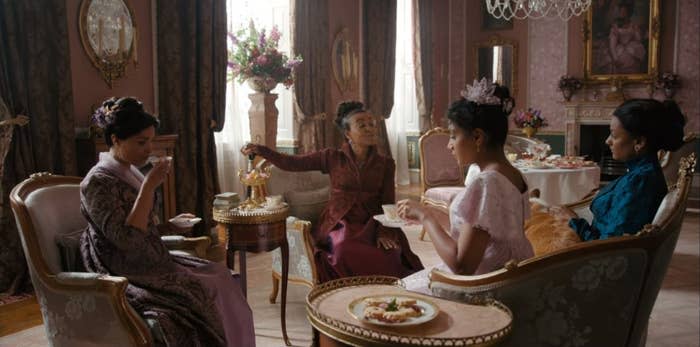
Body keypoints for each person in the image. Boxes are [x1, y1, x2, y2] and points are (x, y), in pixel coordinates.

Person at [80, 97, 255, 347]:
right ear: (116, 139)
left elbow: (141, 227)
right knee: (202, 292)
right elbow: (125, 240)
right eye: (141, 142)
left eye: (151, 140)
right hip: (125, 267)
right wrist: (149, 186)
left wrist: (169, 225)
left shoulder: (127, 169)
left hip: (150, 257)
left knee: (221, 275)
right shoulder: (97, 183)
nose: (149, 149)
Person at [241, 101, 423, 283]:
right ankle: (347, 292)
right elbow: (292, 163)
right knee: (343, 249)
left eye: (372, 124)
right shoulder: (332, 157)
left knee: (391, 254)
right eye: (362, 125)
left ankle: (378, 293)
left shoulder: (386, 163)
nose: (370, 129)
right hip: (340, 222)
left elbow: (388, 201)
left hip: (373, 223)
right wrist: (262, 151)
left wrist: (385, 231)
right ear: (348, 133)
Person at [397, 79, 534, 289]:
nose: (449, 145)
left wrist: (426, 216)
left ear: (477, 137)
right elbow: (492, 231)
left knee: (401, 292)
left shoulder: (486, 182)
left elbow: (462, 266)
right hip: (514, 278)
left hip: (486, 285)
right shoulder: (514, 174)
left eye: (454, 136)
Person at [555, 99, 686, 241]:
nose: (607, 141)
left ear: (639, 142)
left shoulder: (639, 183)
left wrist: (573, 220)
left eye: (614, 135)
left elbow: (606, 247)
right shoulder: (642, 172)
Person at [608, 2, 646, 74]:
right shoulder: (615, 27)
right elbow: (612, 45)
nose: (623, 14)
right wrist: (615, 58)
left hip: (632, 49)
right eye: (621, 12)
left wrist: (637, 31)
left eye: (625, 12)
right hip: (619, 50)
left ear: (629, 13)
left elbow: (639, 39)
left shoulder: (633, 25)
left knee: (634, 61)